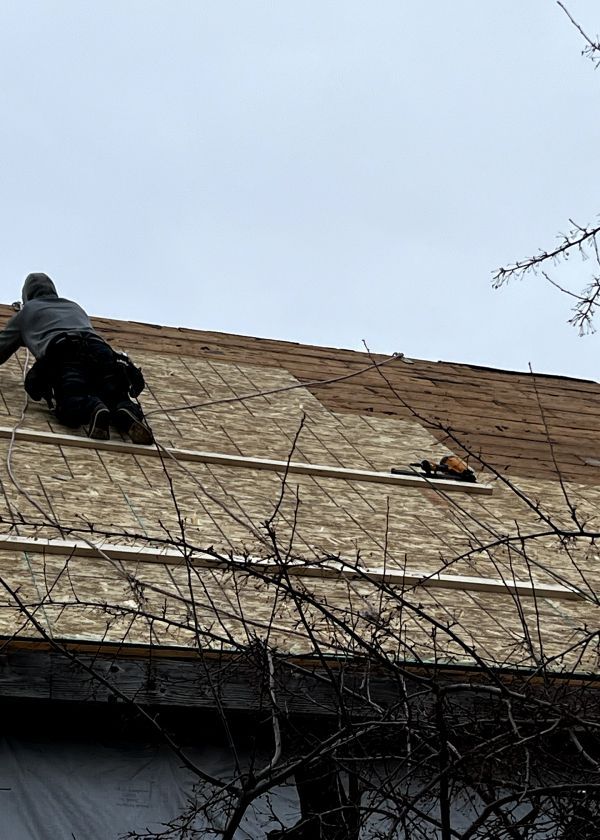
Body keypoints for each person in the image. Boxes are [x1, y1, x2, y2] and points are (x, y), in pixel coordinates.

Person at [0, 273, 154, 444]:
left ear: (27, 296)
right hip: (100, 350)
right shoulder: (73, 306)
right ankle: (126, 412)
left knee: (71, 397)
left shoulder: (26, 312)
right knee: (113, 392)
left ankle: (94, 408)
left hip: (64, 351)